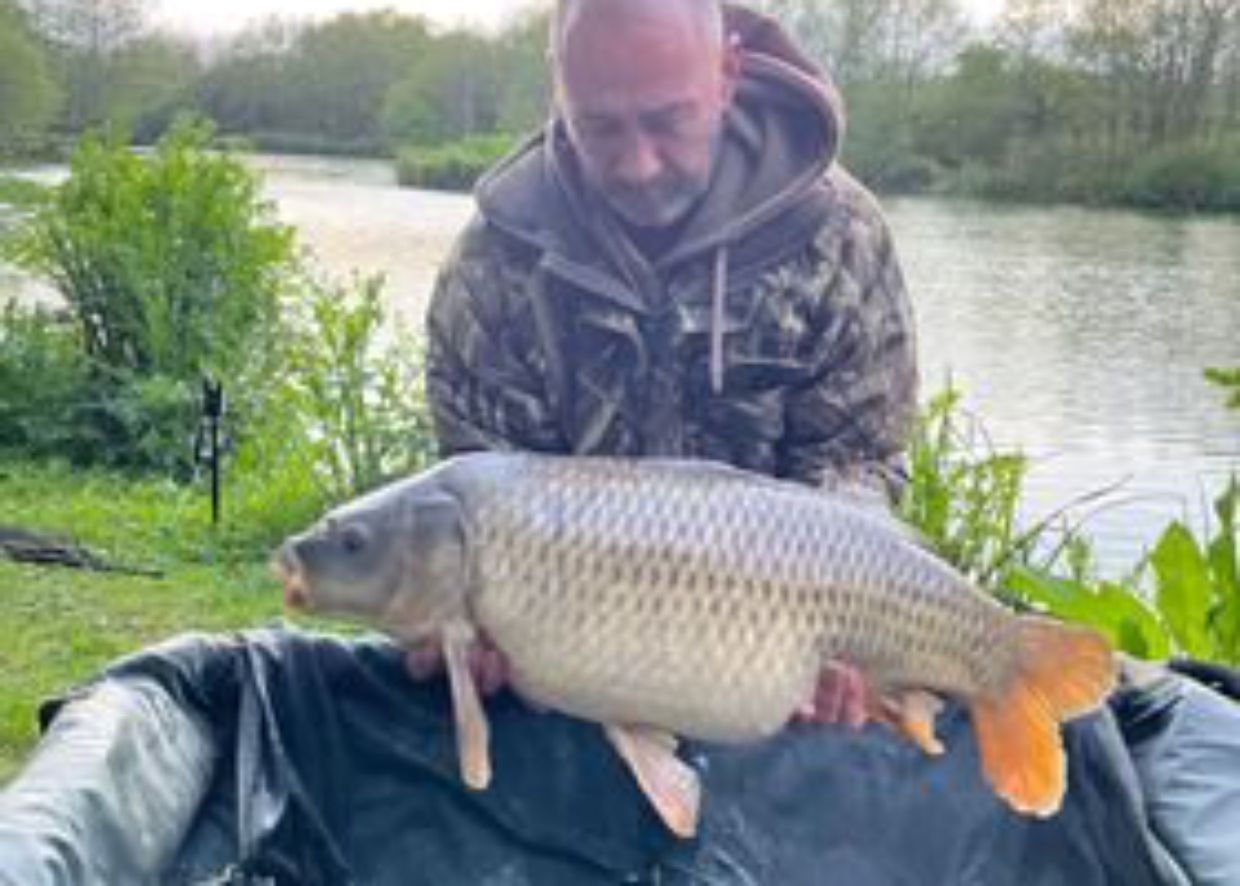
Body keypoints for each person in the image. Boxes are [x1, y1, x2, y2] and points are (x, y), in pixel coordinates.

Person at [421, 0, 916, 727]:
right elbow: (483, 490)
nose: (639, 164)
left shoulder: (840, 240)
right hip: (568, 693)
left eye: (667, 121)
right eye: (602, 126)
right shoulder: (492, 267)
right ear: (559, 91)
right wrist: (467, 633)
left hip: (774, 665)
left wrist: (850, 635)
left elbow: (858, 464)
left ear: (727, 75)